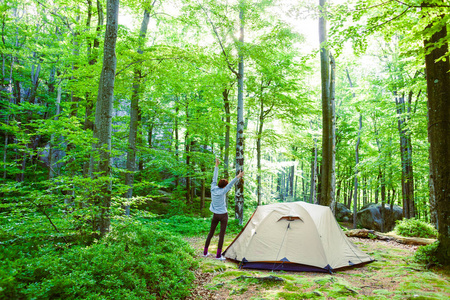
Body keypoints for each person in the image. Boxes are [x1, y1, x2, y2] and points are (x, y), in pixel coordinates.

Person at [203, 158, 244, 260]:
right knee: (221, 235)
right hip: (223, 215)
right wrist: (238, 177)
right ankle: (218, 255)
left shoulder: (213, 188)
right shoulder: (224, 191)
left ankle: (205, 252)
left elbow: (214, 178)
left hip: (215, 215)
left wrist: (216, 166)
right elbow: (231, 184)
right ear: (224, 186)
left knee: (211, 233)